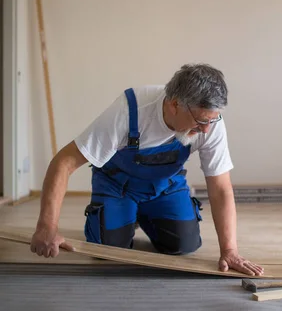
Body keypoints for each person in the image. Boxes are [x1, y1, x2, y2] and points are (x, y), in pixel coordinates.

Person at [30, 63, 264, 276]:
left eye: (212, 120)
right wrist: (47, 227)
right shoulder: (130, 110)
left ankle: (143, 214)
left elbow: (221, 188)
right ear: (175, 104)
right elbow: (64, 162)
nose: (205, 130)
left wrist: (230, 250)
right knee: (108, 252)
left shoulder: (211, 123)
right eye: (201, 121)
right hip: (117, 185)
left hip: (164, 186)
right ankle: (125, 214)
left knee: (184, 245)